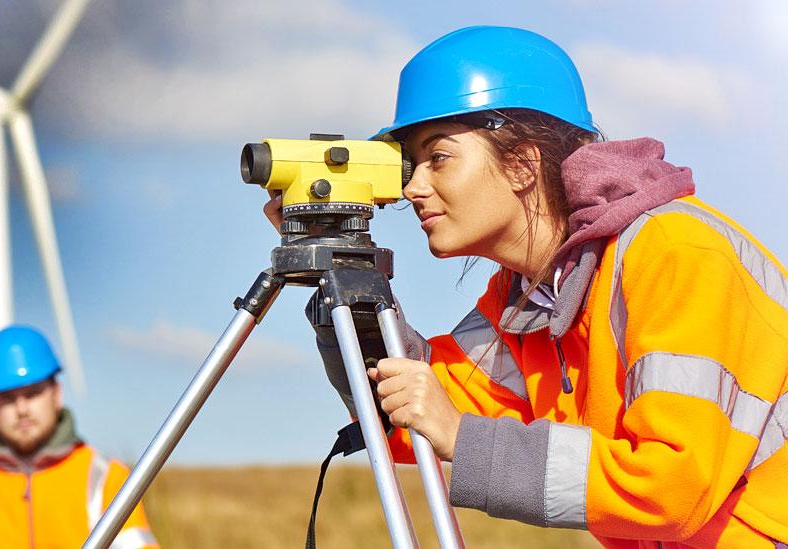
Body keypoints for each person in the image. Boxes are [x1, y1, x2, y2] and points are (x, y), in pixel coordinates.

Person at [266, 26, 788, 548]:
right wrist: (346, 280)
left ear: (521, 164)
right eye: (410, 164)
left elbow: (673, 486)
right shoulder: (528, 297)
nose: (413, 188)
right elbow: (417, 415)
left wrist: (462, 438)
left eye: (438, 157)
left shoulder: (676, 252)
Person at [0, 325, 158, 549]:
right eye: (7, 397)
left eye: (32, 393)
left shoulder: (106, 478)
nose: (22, 409)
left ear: (57, 393)